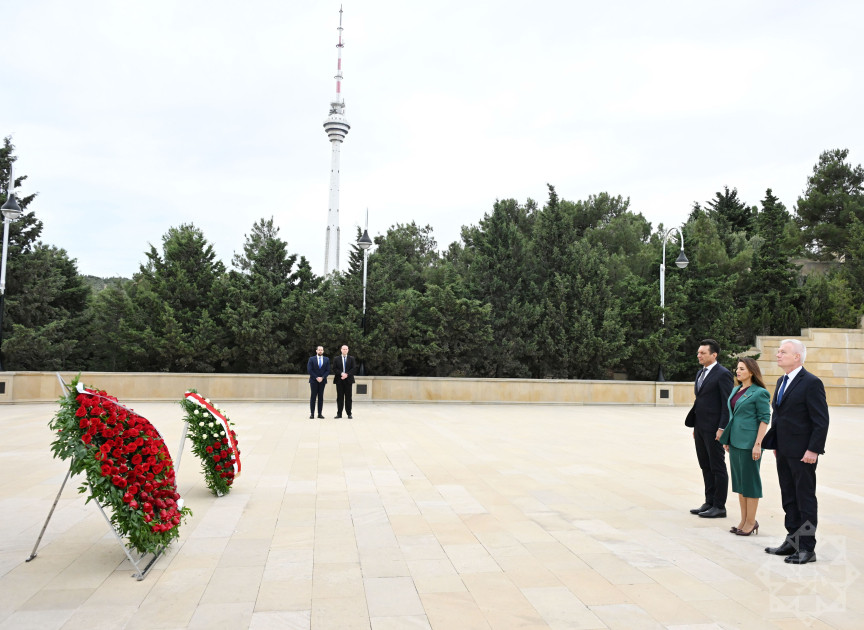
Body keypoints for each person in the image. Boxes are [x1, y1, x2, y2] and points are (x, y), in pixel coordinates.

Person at [763, 339, 829, 565]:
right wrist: (775, 443)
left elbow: (820, 420)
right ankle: (792, 540)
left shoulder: (811, 382)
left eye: (783, 352)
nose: (778, 354)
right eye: (778, 351)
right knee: (788, 496)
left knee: (804, 498)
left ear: (797, 357)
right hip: (783, 450)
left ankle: (807, 547)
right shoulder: (781, 380)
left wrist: (813, 449)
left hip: (803, 453)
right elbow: (779, 415)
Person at [719, 358, 771, 536]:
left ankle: (751, 521)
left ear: (751, 372)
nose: (738, 371)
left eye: (742, 369)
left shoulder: (760, 393)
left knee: (750, 483)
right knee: (740, 483)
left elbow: (764, 419)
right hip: (735, 442)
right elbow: (733, 417)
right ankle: (743, 520)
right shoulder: (736, 390)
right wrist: (728, 438)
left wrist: (758, 444)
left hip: (750, 444)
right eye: (737, 368)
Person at [685, 338, 734, 518]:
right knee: (705, 465)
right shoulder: (700, 373)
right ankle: (709, 501)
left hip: (715, 429)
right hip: (700, 427)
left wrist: (722, 428)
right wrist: (696, 427)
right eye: (698, 352)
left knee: (717, 466)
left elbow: (727, 404)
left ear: (714, 355)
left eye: (703, 353)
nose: (699, 355)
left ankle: (719, 506)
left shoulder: (723, 374)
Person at [332, 344, 356, 419]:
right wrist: (341, 373)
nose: (345, 350)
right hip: (339, 380)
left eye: (346, 349)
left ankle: (349, 413)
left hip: (348, 380)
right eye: (343, 349)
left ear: (348, 350)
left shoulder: (352, 358)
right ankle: (339, 414)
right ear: (341, 350)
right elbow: (334, 368)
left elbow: (353, 368)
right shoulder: (336, 359)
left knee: (348, 397)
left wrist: (347, 374)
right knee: (340, 397)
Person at [307, 346, 329, 419]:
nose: (320, 351)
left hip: (322, 381)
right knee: (313, 397)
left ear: (323, 351)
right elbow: (309, 370)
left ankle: (320, 414)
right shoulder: (311, 359)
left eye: (321, 350)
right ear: (316, 351)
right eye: (319, 350)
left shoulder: (326, 359)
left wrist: (322, 377)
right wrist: (316, 377)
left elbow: (328, 370)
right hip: (314, 380)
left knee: (320, 397)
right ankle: (312, 414)